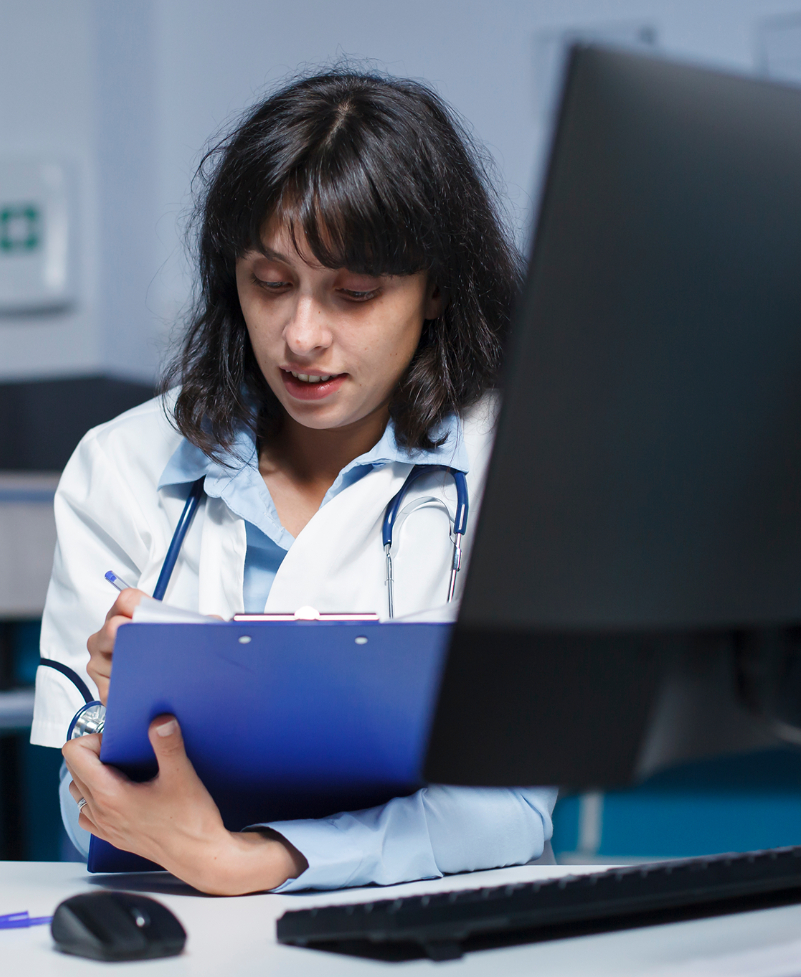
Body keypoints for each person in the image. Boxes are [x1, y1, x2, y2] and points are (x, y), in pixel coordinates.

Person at [30, 69, 556, 895]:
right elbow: (78, 797)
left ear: (437, 292)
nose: (300, 336)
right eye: (269, 283)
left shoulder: (515, 462)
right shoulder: (123, 465)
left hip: (433, 930)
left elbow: (512, 801)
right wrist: (109, 713)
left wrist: (256, 859)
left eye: (354, 292)